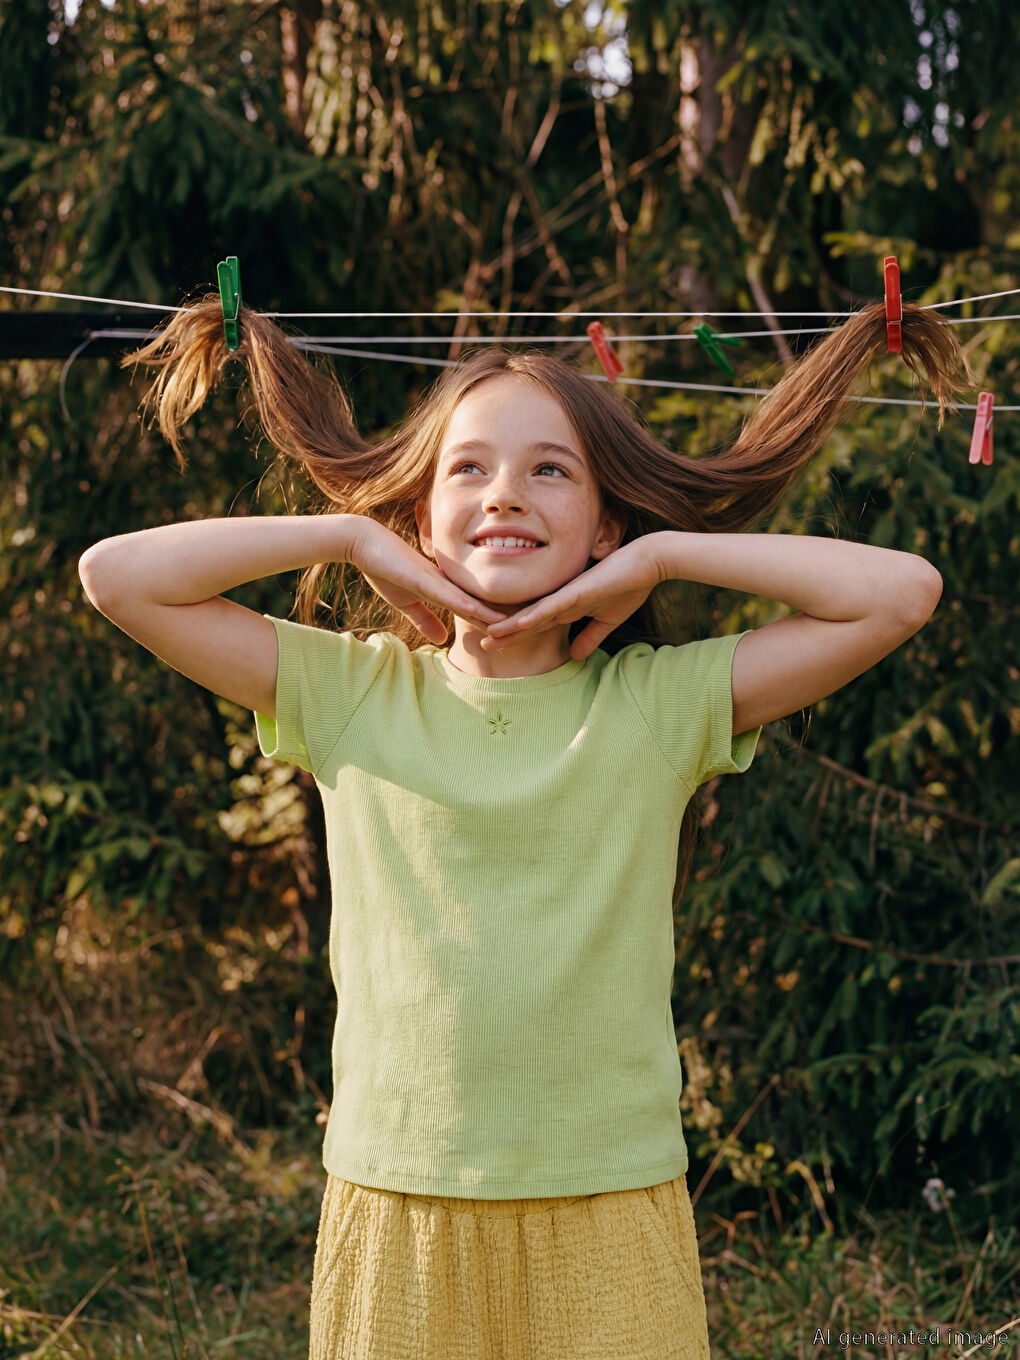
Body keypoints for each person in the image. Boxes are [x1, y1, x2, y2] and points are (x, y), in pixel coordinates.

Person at [78, 294, 970, 1360]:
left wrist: (658, 559)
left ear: (602, 523)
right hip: (395, 1202)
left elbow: (900, 594)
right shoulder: (351, 692)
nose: (506, 492)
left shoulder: (654, 702)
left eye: (550, 469)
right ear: (421, 517)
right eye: (466, 468)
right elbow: (116, 577)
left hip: (609, 1201)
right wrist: (354, 533)